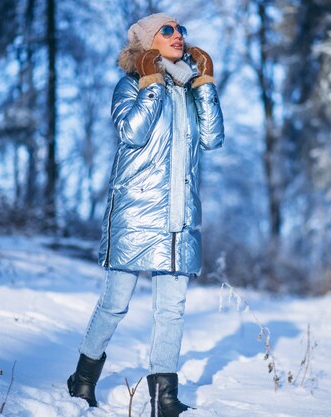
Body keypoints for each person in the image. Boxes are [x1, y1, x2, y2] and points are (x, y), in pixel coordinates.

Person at [66, 12, 224, 417]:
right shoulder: (129, 86)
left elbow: (213, 138)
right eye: (167, 31)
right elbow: (132, 133)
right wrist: (152, 83)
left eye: (181, 30)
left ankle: (163, 397)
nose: (178, 36)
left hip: (178, 218)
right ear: (147, 43)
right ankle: (82, 379)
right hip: (136, 214)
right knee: (115, 304)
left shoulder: (189, 92)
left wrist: (204, 84)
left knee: (171, 310)